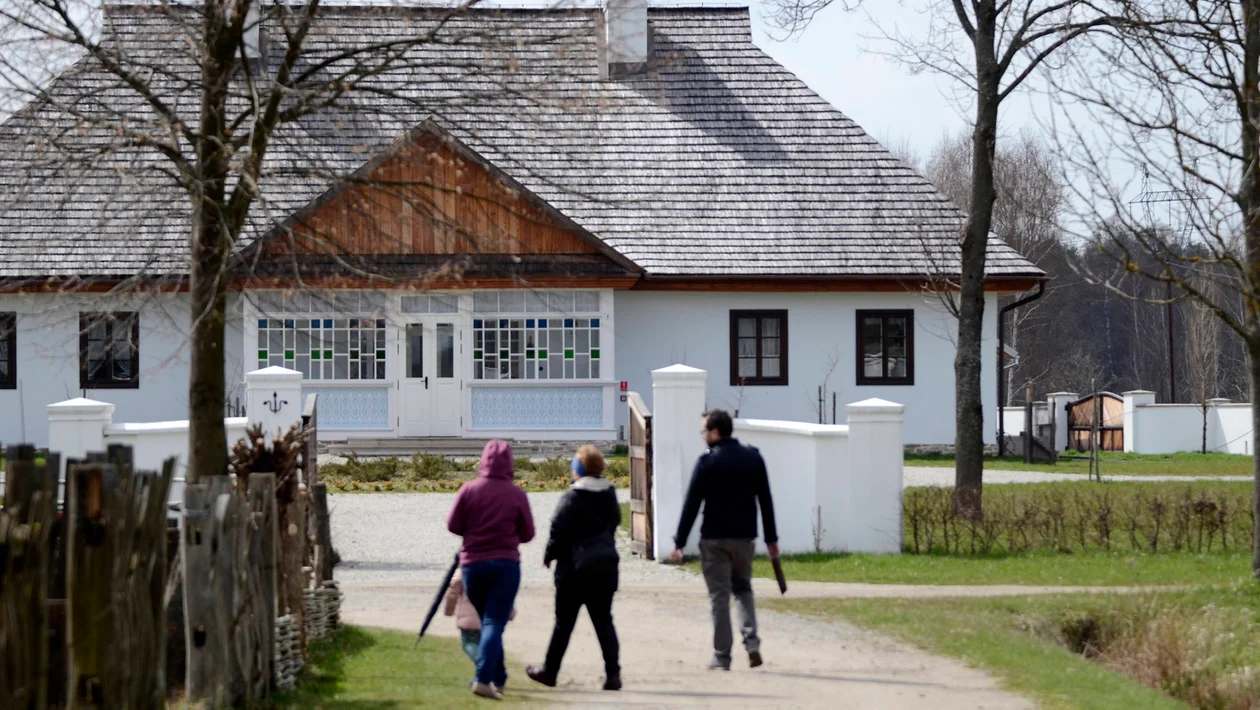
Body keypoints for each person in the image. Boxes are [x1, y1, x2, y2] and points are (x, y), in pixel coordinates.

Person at [670, 409, 779, 671]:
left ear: (715, 432)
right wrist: (771, 538)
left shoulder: (707, 462)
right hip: (744, 537)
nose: (703, 436)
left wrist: (680, 541)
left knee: (719, 596)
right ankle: (751, 643)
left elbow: (692, 504)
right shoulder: (753, 459)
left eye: (704, 431)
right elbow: (765, 500)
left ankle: (722, 656)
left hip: (714, 539)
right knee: (743, 589)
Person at [526, 445, 623, 692]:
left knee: (564, 624)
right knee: (604, 622)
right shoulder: (609, 493)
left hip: (573, 572)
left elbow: (558, 531)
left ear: (578, 469)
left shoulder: (572, 497)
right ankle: (613, 674)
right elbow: (615, 522)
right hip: (603, 568)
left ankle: (550, 671)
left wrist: (549, 555)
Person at [447, 439, 536, 700]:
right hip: (506, 565)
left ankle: (499, 677)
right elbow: (528, 534)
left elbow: (453, 525)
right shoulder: (516, 494)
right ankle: (484, 679)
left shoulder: (469, 490)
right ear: (510, 464)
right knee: (494, 622)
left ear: (483, 461)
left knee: (489, 621)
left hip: (473, 566)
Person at [444, 570, 517, 681]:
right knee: (491, 644)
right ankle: (491, 671)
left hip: (469, 618)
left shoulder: (466, 567)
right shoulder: (498, 570)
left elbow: (454, 589)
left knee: (469, 643)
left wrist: (449, 610)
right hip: (491, 618)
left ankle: (484, 667)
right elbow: (505, 595)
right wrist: (510, 612)